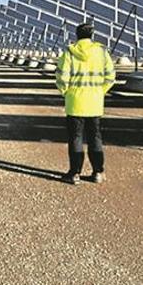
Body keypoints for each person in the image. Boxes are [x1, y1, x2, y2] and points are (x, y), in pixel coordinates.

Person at [55, 22, 116, 185]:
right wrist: (99, 91)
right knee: (95, 138)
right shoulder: (102, 51)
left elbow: (62, 77)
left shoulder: (69, 52)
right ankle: (98, 172)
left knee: (75, 138)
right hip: (95, 103)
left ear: (77, 35)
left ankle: (74, 174)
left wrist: (66, 92)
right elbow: (110, 76)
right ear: (92, 35)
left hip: (74, 103)